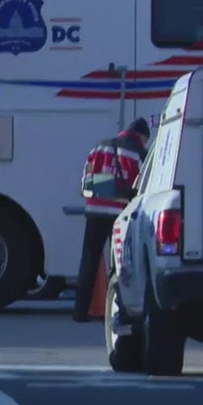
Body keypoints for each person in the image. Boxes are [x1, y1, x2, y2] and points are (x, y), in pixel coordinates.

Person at [74, 117, 150, 323]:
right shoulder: (139, 154)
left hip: (95, 211)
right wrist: (122, 191)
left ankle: (80, 312)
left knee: (89, 260)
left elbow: (86, 184)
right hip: (119, 215)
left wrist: (105, 186)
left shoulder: (97, 149)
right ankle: (119, 311)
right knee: (120, 263)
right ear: (142, 136)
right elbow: (142, 188)